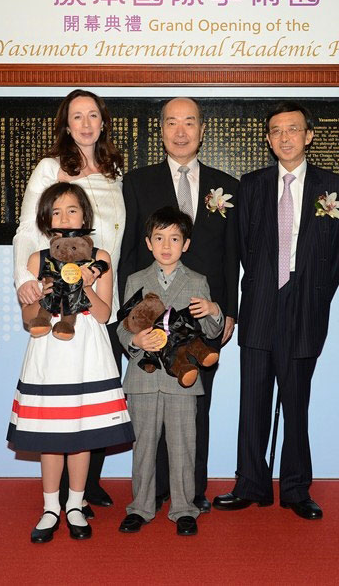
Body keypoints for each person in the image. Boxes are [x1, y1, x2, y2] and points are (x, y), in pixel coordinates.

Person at [213, 101, 339, 520]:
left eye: (293, 129)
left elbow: (337, 253)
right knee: (252, 399)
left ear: (309, 135)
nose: (285, 137)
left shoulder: (334, 187)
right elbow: (240, 248)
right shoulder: (251, 185)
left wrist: (313, 296)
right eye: (276, 131)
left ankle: (295, 488)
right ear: (268, 139)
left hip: (305, 303)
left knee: (296, 401)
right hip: (260, 303)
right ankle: (250, 484)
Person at [120, 97, 239, 513]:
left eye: (190, 122)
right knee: (151, 406)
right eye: (173, 122)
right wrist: (132, 317)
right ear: (162, 129)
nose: (182, 130)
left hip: (202, 314)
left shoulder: (226, 184)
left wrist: (227, 312)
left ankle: (192, 492)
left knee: (193, 404)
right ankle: (151, 493)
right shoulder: (137, 182)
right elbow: (131, 253)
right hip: (153, 314)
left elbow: (231, 257)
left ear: (202, 130)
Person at [13, 89, 126, 510]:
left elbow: (114, 235)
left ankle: (82, 491)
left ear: (102, 121)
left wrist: (101, 277)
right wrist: (25, 279)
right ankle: (56, 498)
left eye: (92, 115)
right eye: (76, 116)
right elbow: (28, 228)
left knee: (91, 394)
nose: (84, 123)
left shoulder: (114, 171)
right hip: (56, 292)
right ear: (66, 123)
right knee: (60, 392)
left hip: (99, 289)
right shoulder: (51, 167)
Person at [7, 182, 134, 543]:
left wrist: (88, 283)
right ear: (47, 219)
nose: (65, 217)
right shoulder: (36, 259)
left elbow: (105, 313)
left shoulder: (103, 257)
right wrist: (38, 295)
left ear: (85, 215)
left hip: (88, 351)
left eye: (72, 210)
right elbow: (29, 318)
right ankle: (50, 508)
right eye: (57, 211)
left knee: (82, 435)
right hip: (48, 350)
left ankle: (75, 505)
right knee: (51, 437)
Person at [116, 206, 225, 536]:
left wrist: (214, 310)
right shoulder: (136, 280)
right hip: (143, 377)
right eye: (159, 238)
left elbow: (209, 331)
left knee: (183, 446)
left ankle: (184, 508)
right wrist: (135, 338)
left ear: (186, 244)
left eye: (174, 239)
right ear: (148, 243)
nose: (166, 245)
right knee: (144, 447)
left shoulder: (197, 281)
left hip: (183, 379)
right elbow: (123, 328)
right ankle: (141, 507)